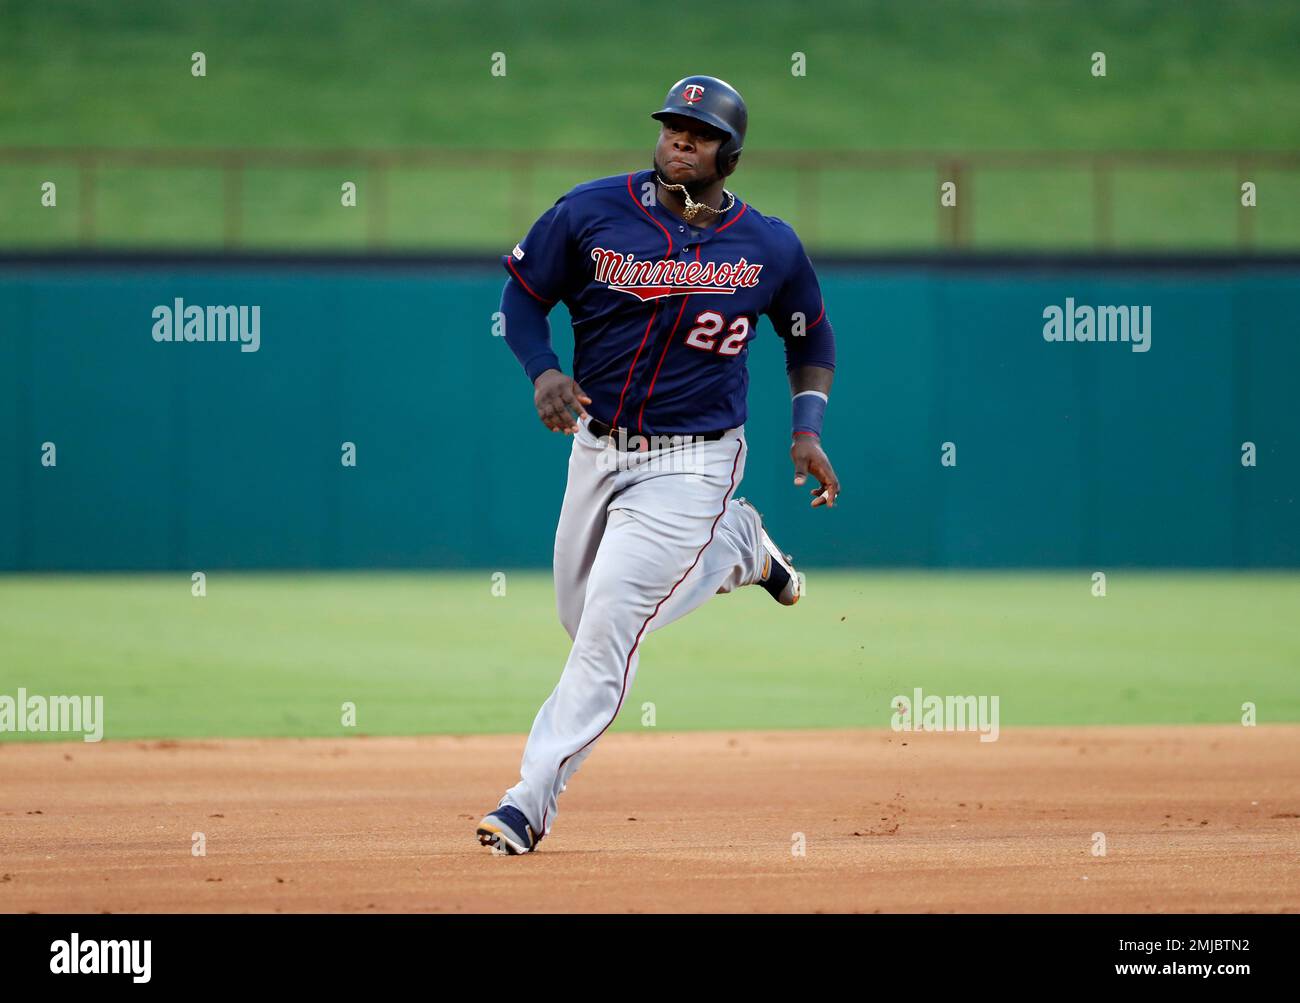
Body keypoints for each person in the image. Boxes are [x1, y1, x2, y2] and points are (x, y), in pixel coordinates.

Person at [477, 75, 840, 854]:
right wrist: (543, 369)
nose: (680, 138)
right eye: (674, 124)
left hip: (696, 460)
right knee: (583, 624)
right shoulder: (590, 211)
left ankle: (527, 801)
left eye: (700, 132)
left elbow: (810, 335)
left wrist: (806, 426)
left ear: (729, 155)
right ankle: (739, 547)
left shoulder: (768, 244)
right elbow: (520, 298)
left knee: (609, 627)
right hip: (597, 446)